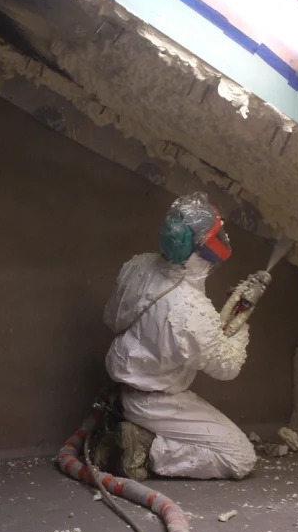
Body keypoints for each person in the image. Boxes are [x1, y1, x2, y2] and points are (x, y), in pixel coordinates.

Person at [101, 192, 257, 481]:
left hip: (125, 391)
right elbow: (228, 367)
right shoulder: (192, 310)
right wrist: (242, 322)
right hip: (156, 404)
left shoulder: (137, 266)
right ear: (205, 249)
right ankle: (146, 448)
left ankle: (128, 428)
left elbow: (111, 318)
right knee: (240, 457)